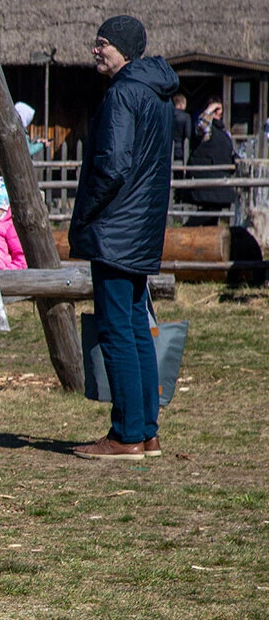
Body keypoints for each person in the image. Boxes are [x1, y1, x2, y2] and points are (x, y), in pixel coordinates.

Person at [69, 15, 178, 460]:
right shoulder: (156, 94)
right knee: (135, 329)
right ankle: (146, 431)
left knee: (117, 330)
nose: (96, 50)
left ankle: (126, 434)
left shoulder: (122, 94)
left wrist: (87, 213)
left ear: (124, 50)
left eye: (103, 44)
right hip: (142, 227)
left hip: (115, 227)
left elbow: (112, 166)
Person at [184, 97, 237, 226]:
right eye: (215, 110)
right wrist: (211, 109)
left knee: (213, 214)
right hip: (207, 179)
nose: (219, 113)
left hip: (219, 179)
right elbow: (202, 125)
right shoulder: (207, 131)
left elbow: (230, 152)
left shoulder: (224, 133)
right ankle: (185, 230)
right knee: (211, 211)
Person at [171, 93, 192, 163]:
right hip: (181, 150)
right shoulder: (186, 117)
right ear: (181, 104)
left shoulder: (167, 115)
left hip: (167, 149)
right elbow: (188, 135)